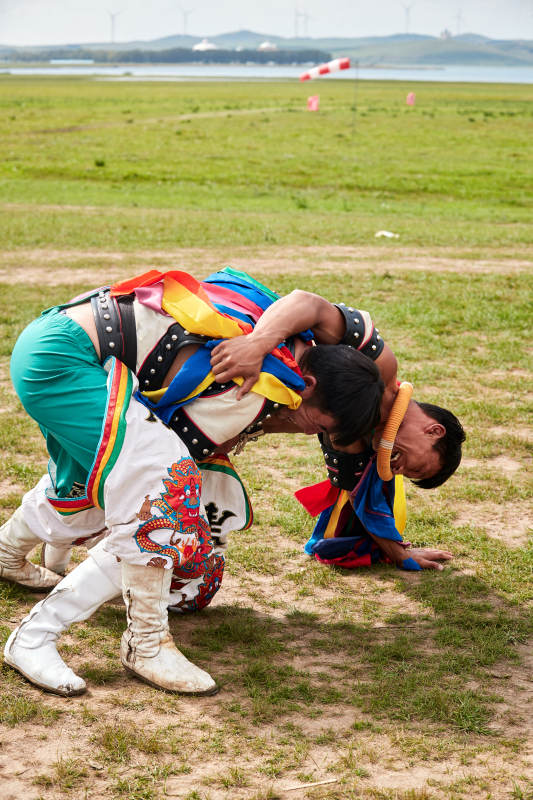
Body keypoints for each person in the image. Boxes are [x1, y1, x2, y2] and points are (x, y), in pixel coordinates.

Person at [2, 267, 386, 698]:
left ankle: (6, 552)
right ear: (310, 385)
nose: (305, 429)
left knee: (128, 473)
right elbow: (177, 469)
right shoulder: (258, 386)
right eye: (318, 422)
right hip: (66, 364)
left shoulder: (283, 341)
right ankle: (76, 639)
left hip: (55, 339)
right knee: (163, 498)